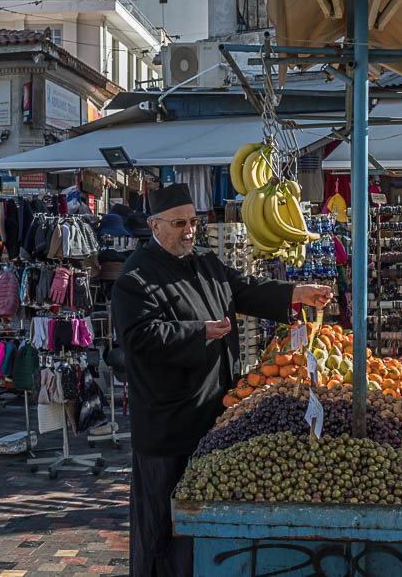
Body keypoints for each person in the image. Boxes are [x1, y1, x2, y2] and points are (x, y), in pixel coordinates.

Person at [112, 183, 333, 577]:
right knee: (164, 527)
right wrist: (200, 332)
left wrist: (296, 292)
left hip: (212, 415)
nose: (189, 231)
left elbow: (243, 288)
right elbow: (138, 339)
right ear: (155, 226)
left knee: (202, 518)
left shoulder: (204, 261)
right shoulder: (135, 278)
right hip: (168, 426)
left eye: (193, 222)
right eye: (179, 224)